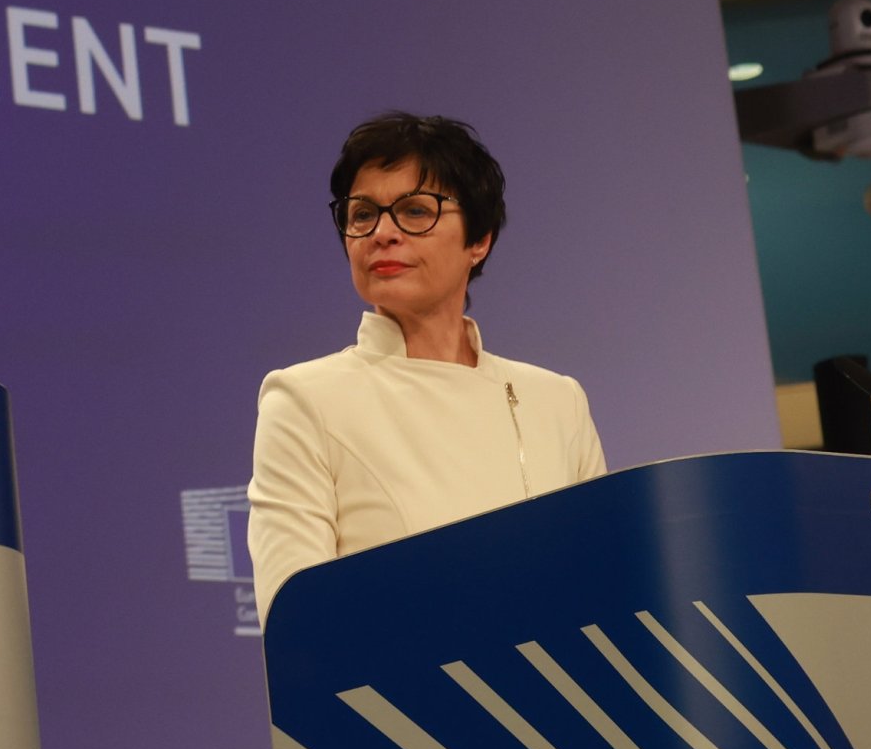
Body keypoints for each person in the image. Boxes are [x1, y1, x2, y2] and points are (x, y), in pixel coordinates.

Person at [245, 112, 604, 626]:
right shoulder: (304, 399)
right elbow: (299, 628)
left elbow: (604, 598)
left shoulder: (557, 401)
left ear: (479, 240)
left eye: (416, 211)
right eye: (362, 214)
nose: (382, 233)